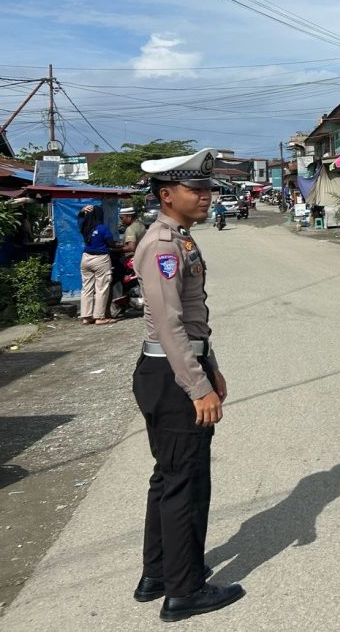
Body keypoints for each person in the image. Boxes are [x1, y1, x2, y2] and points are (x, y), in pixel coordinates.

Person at [130, 148, 245, 622]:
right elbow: (171, 325)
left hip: (174, 370)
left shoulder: (180, 238)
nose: (205, 197)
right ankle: (184, 590)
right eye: (195, 189)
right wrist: (198, 386)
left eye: (208, 188)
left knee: (167, 476)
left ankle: (157, 573)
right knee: (186, 482)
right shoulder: (162, 246)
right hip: (172, 377)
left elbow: (194, 324)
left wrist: (210, 365)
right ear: (166, 194)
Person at [78, 204, 117, 326]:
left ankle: (86, 316)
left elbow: (79, 219)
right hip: (101, 259)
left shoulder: (84, 227)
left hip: (85, 259)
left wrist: (82, 211)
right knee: (101, 288)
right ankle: (100, 317)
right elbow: (111, 244)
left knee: (87, 288)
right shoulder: (103, 228)